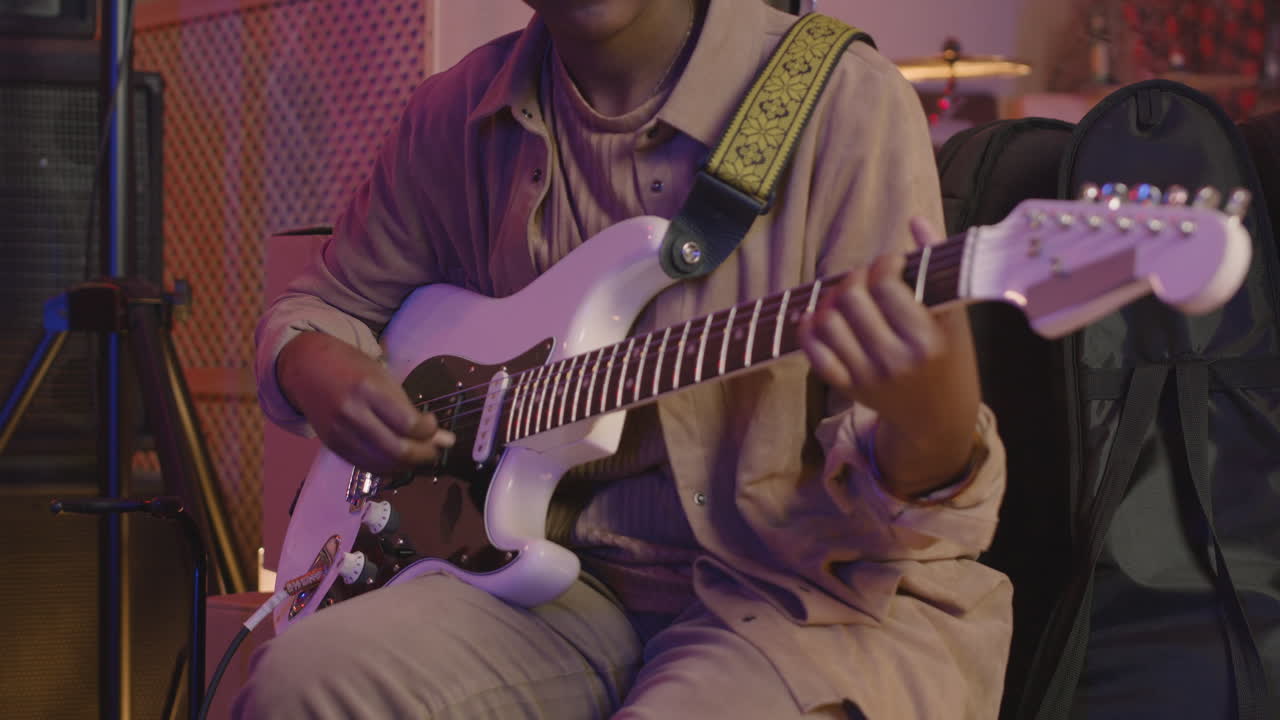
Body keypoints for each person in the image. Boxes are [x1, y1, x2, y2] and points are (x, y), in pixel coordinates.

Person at [236, 0, 1012, 717]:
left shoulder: (846, 100)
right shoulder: (453, 115)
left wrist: (930, 415)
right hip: (551, 583)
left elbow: (918, 514)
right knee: (302, 681)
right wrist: (316, 368)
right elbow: (322, 306)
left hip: (807, 597)